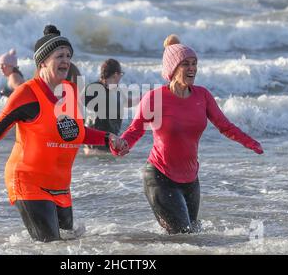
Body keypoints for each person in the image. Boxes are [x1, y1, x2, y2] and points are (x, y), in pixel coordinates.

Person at [0, 25, 127, 242]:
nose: (66, 61)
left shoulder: (70, 90)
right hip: (28, 181)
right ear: (43, 62)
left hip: (60, 186)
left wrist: (108, 138)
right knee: (50, 246)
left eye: (68, 56)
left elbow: (75, 132)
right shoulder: (27, 94)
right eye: (59, 56)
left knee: (69, 242)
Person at [112, 34, 264, 234]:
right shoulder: (154, 98)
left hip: (191, 180)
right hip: (160, 176)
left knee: (191, 235)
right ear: (172, 70)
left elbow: (225, 126)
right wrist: (123, 144)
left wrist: (250, 142)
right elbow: (135, 129)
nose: (192, 68)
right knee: (184, 235)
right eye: (185, 64)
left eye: (194, 63)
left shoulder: (203, 95)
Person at [84, 59, 133, 153]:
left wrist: (145, 98)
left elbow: (126, 102)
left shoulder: (116, 90)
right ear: (115, 74)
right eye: (121, 74)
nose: (120, 77)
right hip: (95, 144)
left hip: (108, 143)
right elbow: (77, 103)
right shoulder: (93, 89)